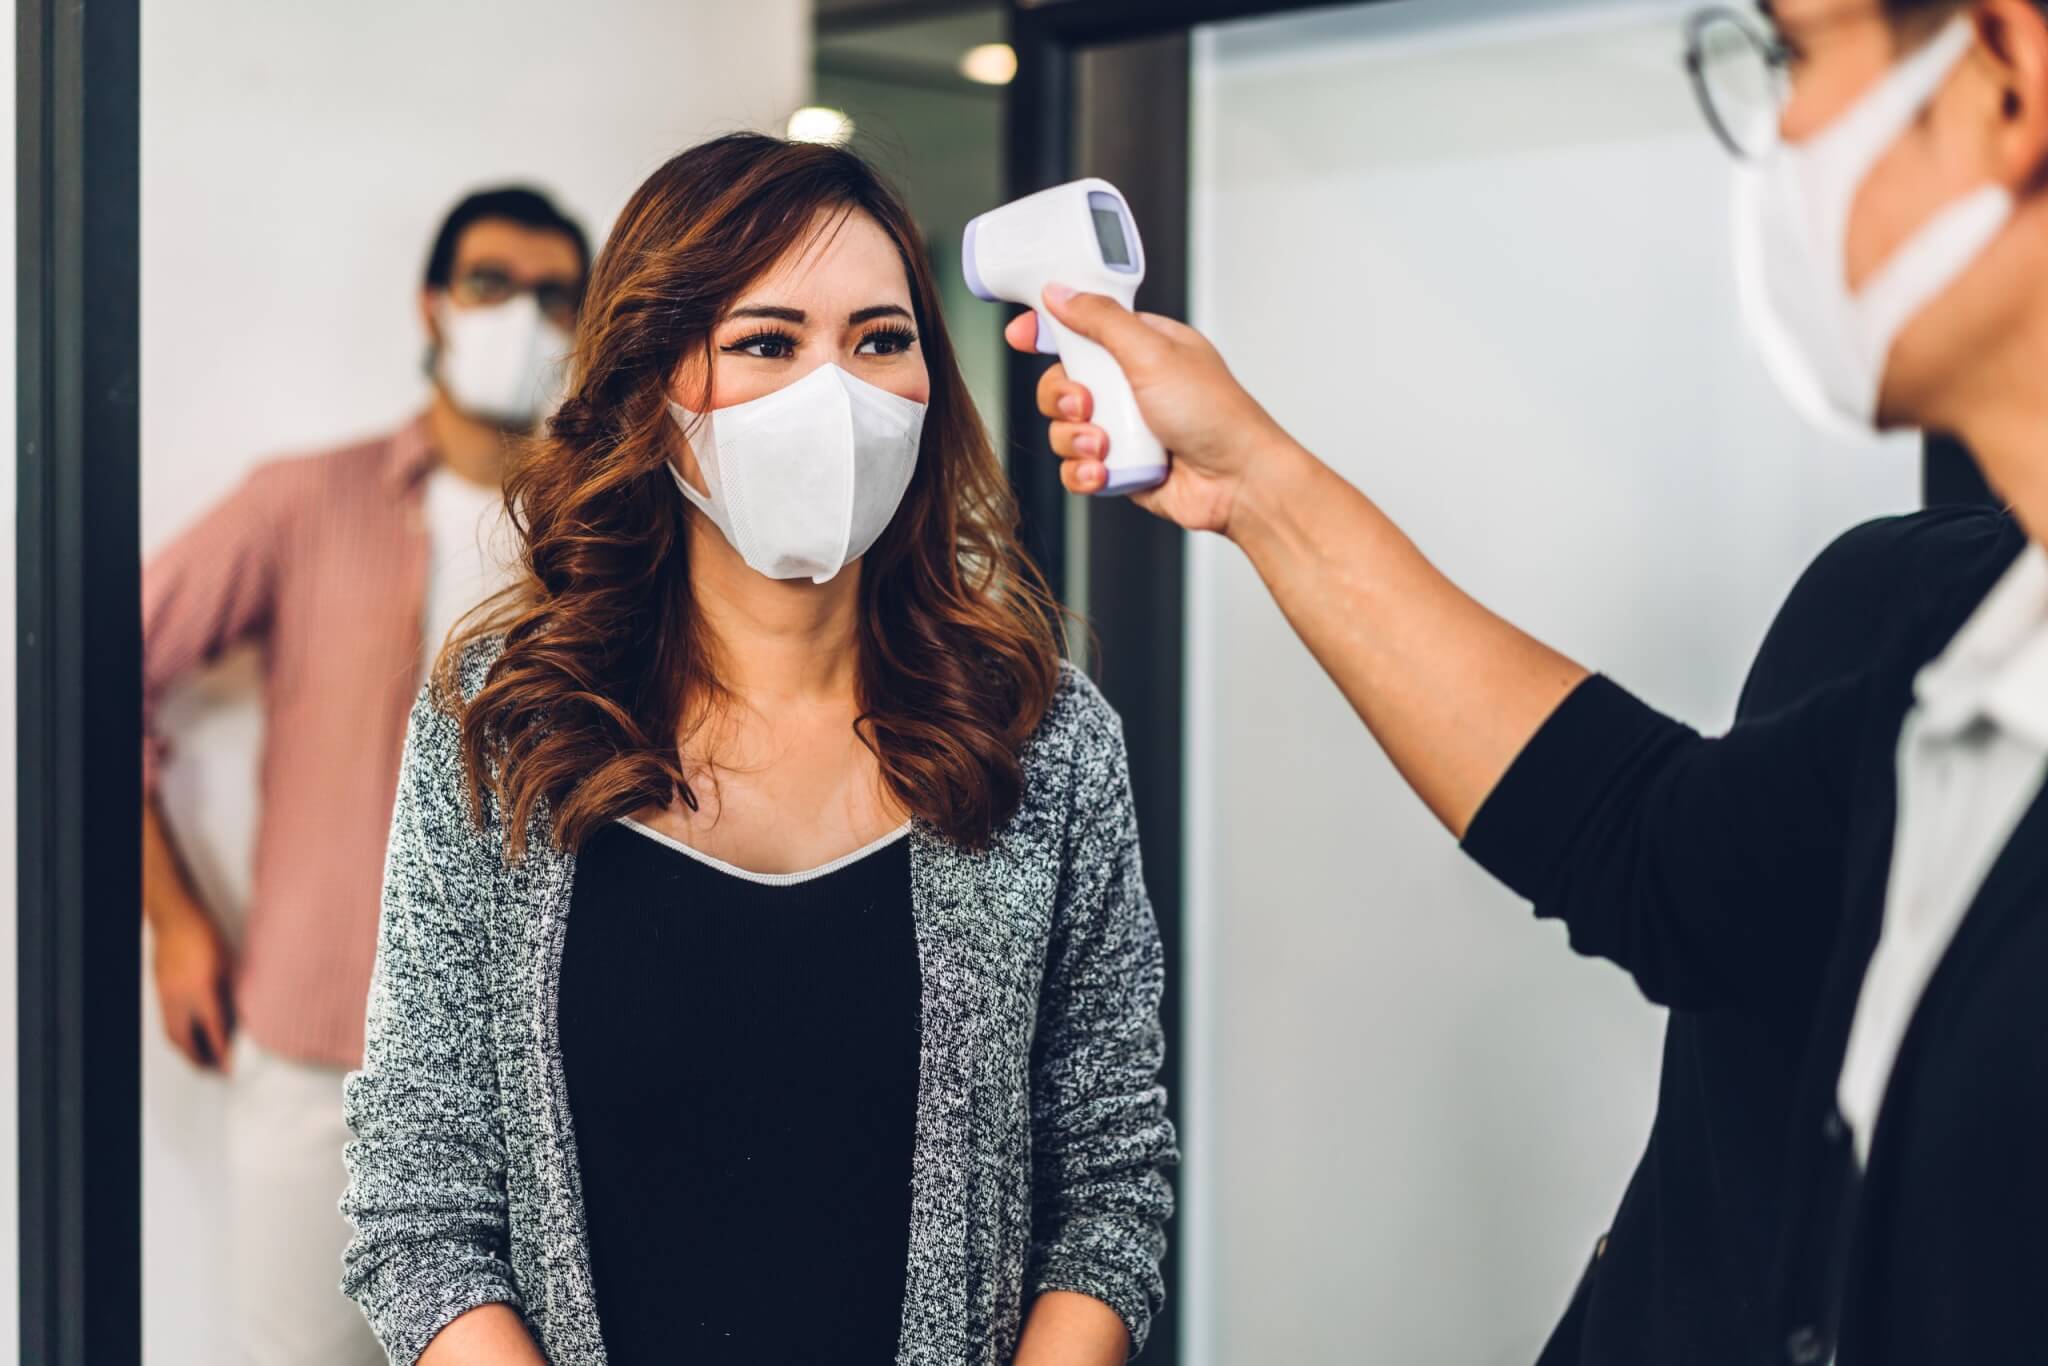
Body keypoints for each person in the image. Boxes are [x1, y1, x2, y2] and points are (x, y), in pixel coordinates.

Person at [1009, 0, 2048, 1360]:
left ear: (2008, 77)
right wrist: (1254, 481)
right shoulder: (1967, 656)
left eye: (1792, 54)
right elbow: (1652, 846)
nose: (1780, 129)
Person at [338, 134, 1177, 1366]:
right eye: (768, 341)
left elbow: (1108, 1182)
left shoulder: (1042, 737)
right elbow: (417, 1201)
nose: (832, 391)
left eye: (880, 339)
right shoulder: (505, 723)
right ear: (649, 385)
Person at [140, 184, 588, 1366]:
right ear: (432, 303)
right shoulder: (305, 500)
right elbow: (101, 671)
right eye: (491, 282)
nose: (520, 316)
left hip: (545, 1073)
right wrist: (174, 922)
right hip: (313, 1052)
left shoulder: (611, 539)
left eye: (554, 294)